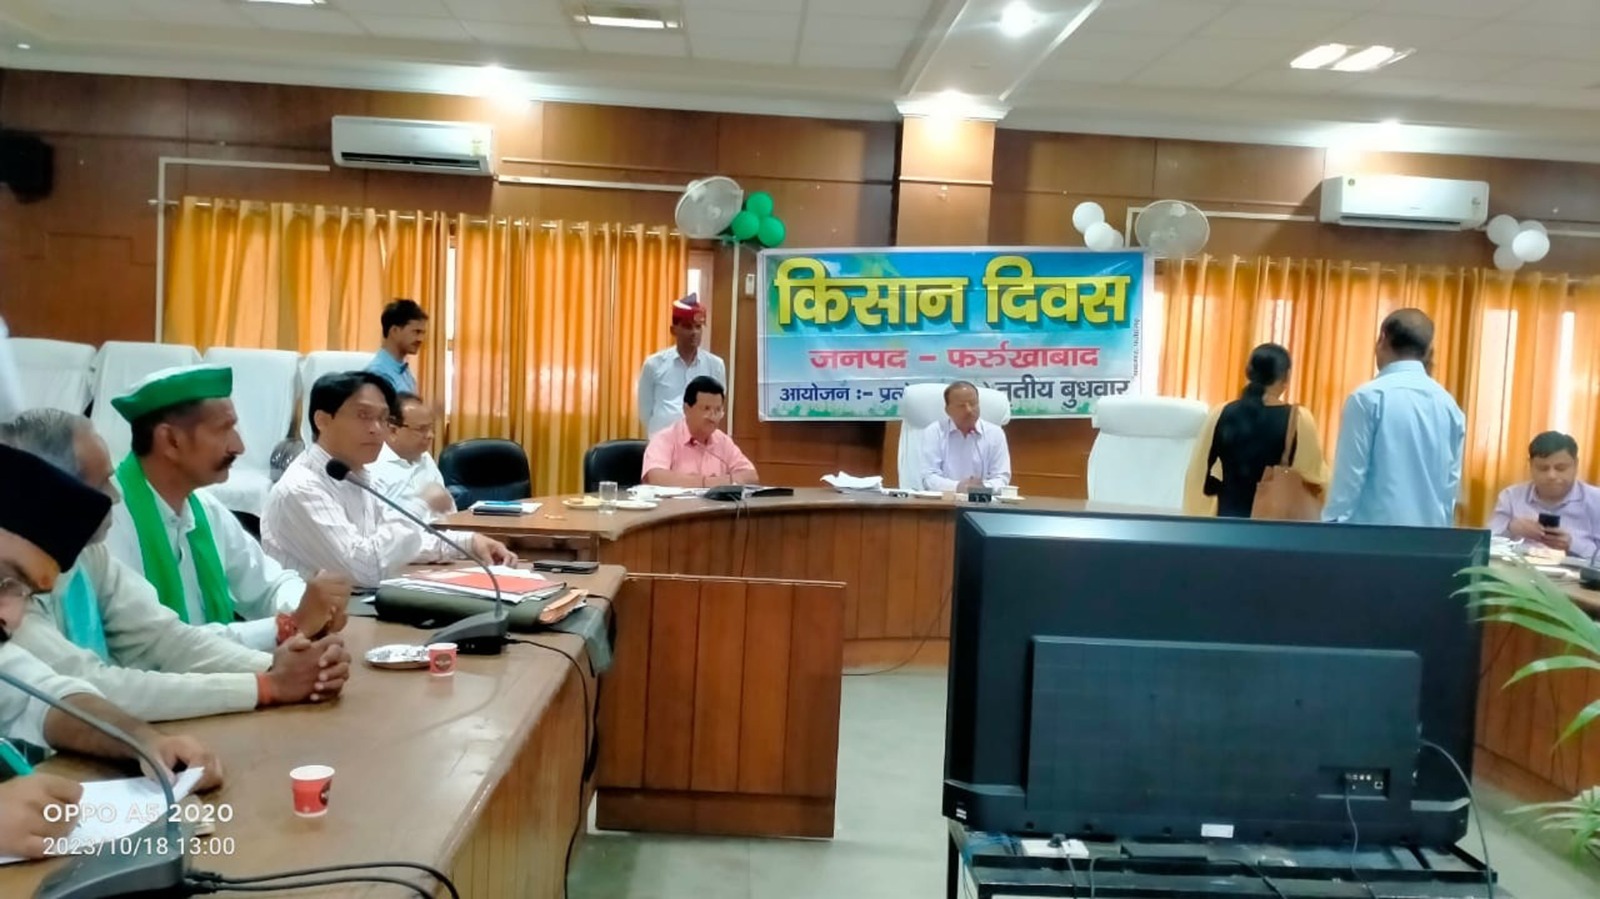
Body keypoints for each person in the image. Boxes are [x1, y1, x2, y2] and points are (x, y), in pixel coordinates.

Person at [0, 433, 351, 723]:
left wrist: (284, 668)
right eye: (103, 483)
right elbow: (90, 689)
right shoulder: (11, 583)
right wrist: (266, 684)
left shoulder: (91, 553)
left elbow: (165, 640)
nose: (116, 496)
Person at [99, 366, 350, 652]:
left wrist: (311, 608)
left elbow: (269, 585)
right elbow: (158, 643)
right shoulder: (109, 524)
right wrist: (289, 625)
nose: (238, 446)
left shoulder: (205, 509)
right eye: (223, 429)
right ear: (170, 440)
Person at [263, 372, 515, 588]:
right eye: (363, 415)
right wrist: (422, 501)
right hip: (306, 622)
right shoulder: (301, 488)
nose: (376, 429)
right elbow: (367, 569)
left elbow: (392, 545)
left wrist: (470, 542)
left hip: (351, 608)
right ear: (323, 420)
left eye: (383, 418)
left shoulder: (356, 475)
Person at [1322, 308, 1467, 528]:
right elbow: (1450, 489)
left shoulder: (1367, 398)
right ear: (1427, 350)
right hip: (1431, 537)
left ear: (1382, 338)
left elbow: (1348, 482)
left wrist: (1330, 529)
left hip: (1373, 538)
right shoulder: (1449, 406)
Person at [1183, 344, 1328, 518]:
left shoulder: (1220, 413)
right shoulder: (1299, 420)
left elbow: (1198, 471)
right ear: (1287, 376)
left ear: (1249, 372)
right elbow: (1315, 477)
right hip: (1273, 523)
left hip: (1226, 519)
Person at [1489, 431, 1599, 562]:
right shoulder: (1511, 497)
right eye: (1543, 468)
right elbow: (1486, 544)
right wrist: (1510, 527)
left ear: (1575, 465)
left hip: (1576, 573)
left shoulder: (1596, 500)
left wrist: (1573, 545)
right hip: (1518, 570)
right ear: (1530, 466)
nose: (1551, 476)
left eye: (1560, 468)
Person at [641, 376, 758, 488]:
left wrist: (718, 483)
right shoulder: (664, 439)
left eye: (718, 410)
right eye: (706, 409)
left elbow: (751, 476)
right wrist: (706, 483)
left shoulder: (723, 441)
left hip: (713, 503)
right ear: (686, 409)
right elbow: (655, 477)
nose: (713, 416)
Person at [637, 293, 727, 437]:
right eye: (687, 327)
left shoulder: (715, 366)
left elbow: (716, 409)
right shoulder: (654, 364)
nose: (694, 332)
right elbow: (645, 412)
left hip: (700, 442)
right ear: (673, 330)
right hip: (662, 443)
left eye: (698, 327)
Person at [369, 392, 454, 520]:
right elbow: (378, 526)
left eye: (431, 428)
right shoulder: (372, 467)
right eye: (422, 429)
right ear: (393, 430)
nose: (430, 435)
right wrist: (423, 504)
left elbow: (449, 511)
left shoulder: (425, 458)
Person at [919, 381, 1010, 492]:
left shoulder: (995, 433)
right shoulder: (935, 432)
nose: (969, 410)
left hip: (982, 499)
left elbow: (1001, 476)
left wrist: (982, 488)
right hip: (945, 499)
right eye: (961, 406)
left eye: (973, 404)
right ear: (948, 410)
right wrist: (958, 487)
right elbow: (929, 477)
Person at [365, 299, 428, 395]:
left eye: (423, 333)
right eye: (416, 332)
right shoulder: (378, 374)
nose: (420, 339)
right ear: (394, 331)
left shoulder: (404, 371)